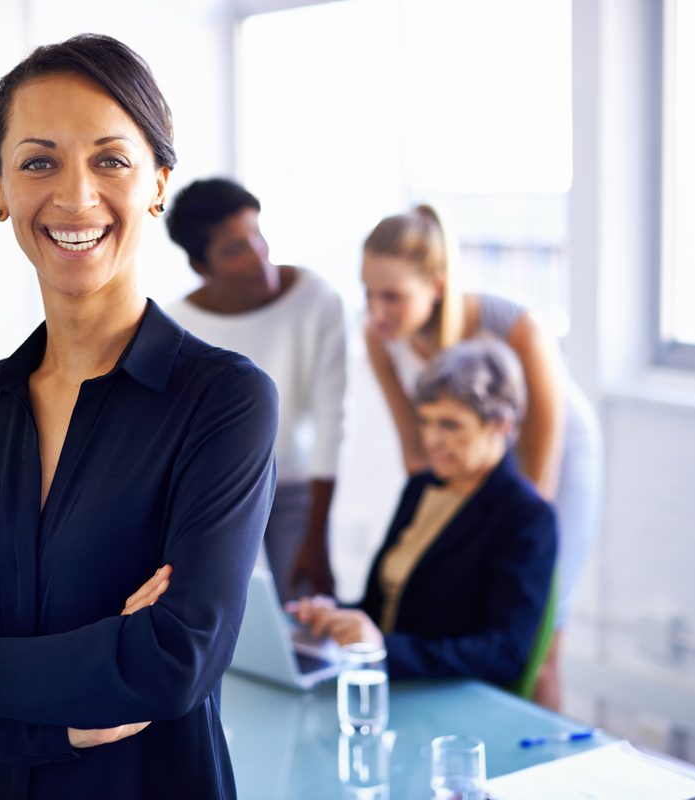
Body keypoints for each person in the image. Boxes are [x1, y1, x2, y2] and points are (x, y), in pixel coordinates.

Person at [0, 34, 278, 799]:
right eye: (39, 161)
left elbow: (170, 665)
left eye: (111, 159)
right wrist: (71, 716)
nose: (77, 197)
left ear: (158, 184)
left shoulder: (225, 402)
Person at [359, 205, 602, 707]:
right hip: (470, 450)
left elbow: (535, 488)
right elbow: (418, 457)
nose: (377, 311)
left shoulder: (514, 327)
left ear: (438, 285)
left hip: (553, 450)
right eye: (368, 293)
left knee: (540, 631)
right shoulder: (379, 337)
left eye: (392, 297)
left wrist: (514, 533)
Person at [287, 337, 556, 684]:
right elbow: (383, 606)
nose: (431, 440)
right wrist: (336, 616)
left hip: (448, 698)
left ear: (500, 425)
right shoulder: (421, 487)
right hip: (394, 683)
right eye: (426, 422)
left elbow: (506, 653)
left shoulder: (526, 515)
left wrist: (382, 648)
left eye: (450, 424)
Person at [164, 178, 347, 601]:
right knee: (224, 616)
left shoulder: (316, 298)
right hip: (217, 493)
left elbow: (332, 420)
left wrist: (317, 537)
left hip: (296, 488)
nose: (258, 259)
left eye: (257, 237)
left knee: (307, 609)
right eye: (234, 250)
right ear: (200, 266)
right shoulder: (174, 326)